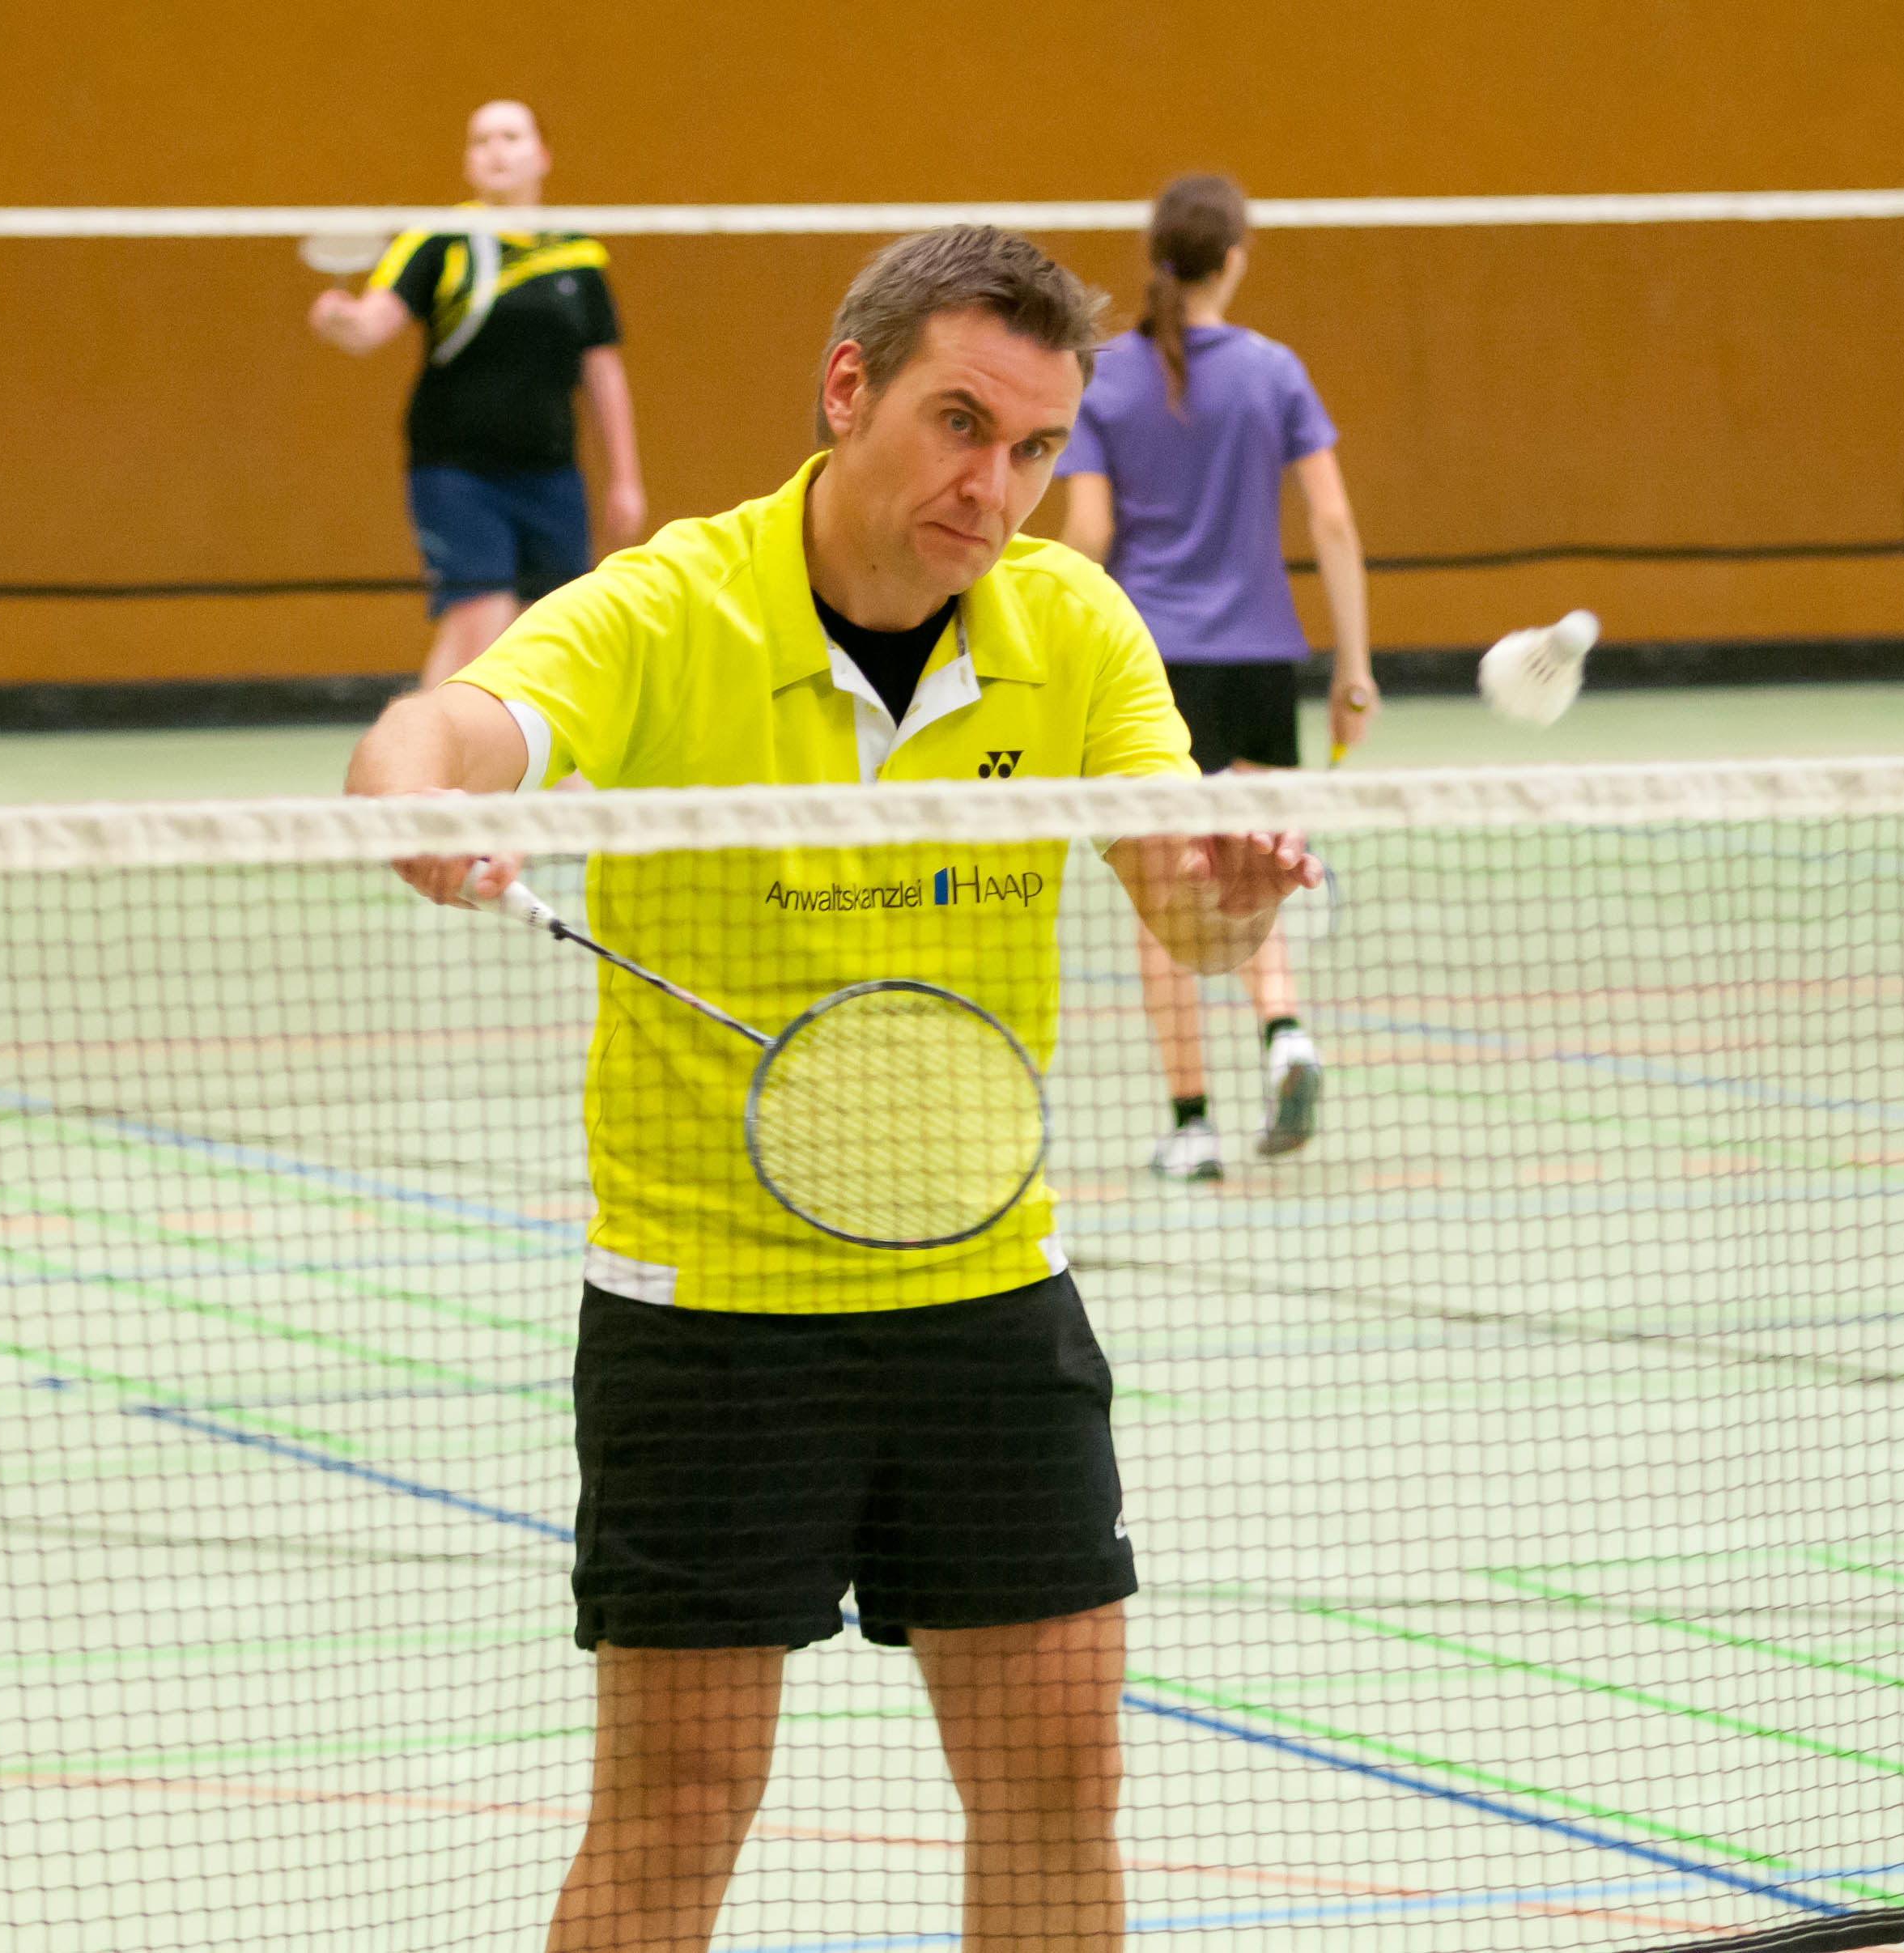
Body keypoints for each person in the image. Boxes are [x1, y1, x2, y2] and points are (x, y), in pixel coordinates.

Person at [347, 225, 1318, 1952]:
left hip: (985, 1293)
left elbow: (1180, 904)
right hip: (711, 1317)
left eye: (1033, 448)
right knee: (675, 1807)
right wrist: (414, 795)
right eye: (960, 424)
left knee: (1057, 1784)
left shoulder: (1071, 627)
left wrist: (1230, 895)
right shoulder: (670, 606)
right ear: (846, 386)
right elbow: (447, 727)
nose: (993, 487)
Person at [1057, 173, 1374, 1182]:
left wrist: (1051, 645)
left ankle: (1191, 1125)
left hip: (1153, 667)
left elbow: (1089, 532)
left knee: (1171, 888)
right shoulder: (1275, 371)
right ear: (1233, 258)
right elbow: (1332, 521)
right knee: (1253, 863)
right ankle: (1283, 1031)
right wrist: (1354, 666)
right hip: (1262, 660)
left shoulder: (1106, 379)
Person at [308, 99, 645, 690]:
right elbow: (370, 326)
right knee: (479, 620)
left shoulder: (580, 254)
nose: (496, 151)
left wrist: (625, 477)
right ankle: (424, 746)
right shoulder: (439, 240)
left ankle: (538, 754)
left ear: (541, 156)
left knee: (552, 632)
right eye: (481, 140)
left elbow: (603, 372)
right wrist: (342, 320)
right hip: (456, 471)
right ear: (468, 161)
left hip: (551, 472)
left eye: (511, 137)